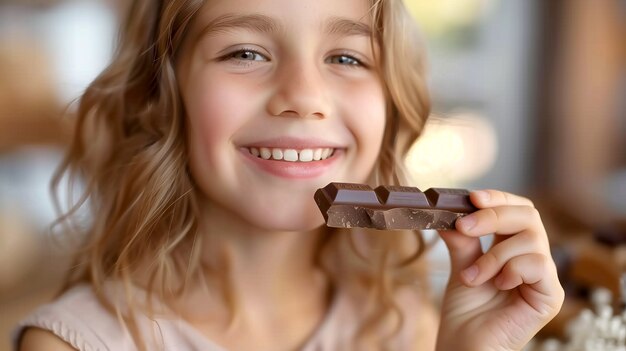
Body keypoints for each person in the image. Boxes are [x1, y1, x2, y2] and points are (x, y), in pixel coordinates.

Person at [15, 0, 565, 350]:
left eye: (347, 58)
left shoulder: (405, 326)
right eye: (246, 52)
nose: (303, 97)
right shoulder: (74, 343)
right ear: (161, 97)